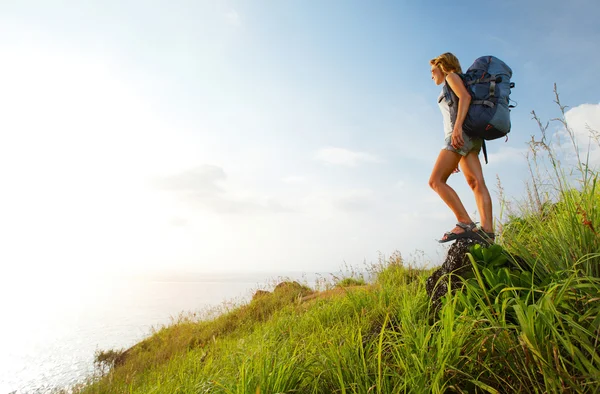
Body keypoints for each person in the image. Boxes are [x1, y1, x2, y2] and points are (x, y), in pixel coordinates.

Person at [428, 52, 495, 243]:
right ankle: (488, 233)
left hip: (459, 135)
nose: (431, 75)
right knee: (476, 183)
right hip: (472, 139)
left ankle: (464, 222)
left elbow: (464, 98)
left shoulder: (451, 77)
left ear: (441, 66)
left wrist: (457, 129)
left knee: (435, 181)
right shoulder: (455, 79)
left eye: (432, 70)